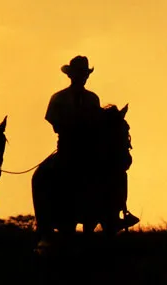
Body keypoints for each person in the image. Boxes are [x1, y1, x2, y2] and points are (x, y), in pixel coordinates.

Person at [45, 55, 139, 229]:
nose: (83, 77)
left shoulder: (92, 99)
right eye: (79, 74)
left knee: (117, 171)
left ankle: (117, 211)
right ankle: (52, 215)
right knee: (51, 173)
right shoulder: (58, 98)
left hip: (90, 146)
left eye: (85, 74)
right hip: (68, 146)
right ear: (71, 75)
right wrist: (72, 126)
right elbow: (53, 121)